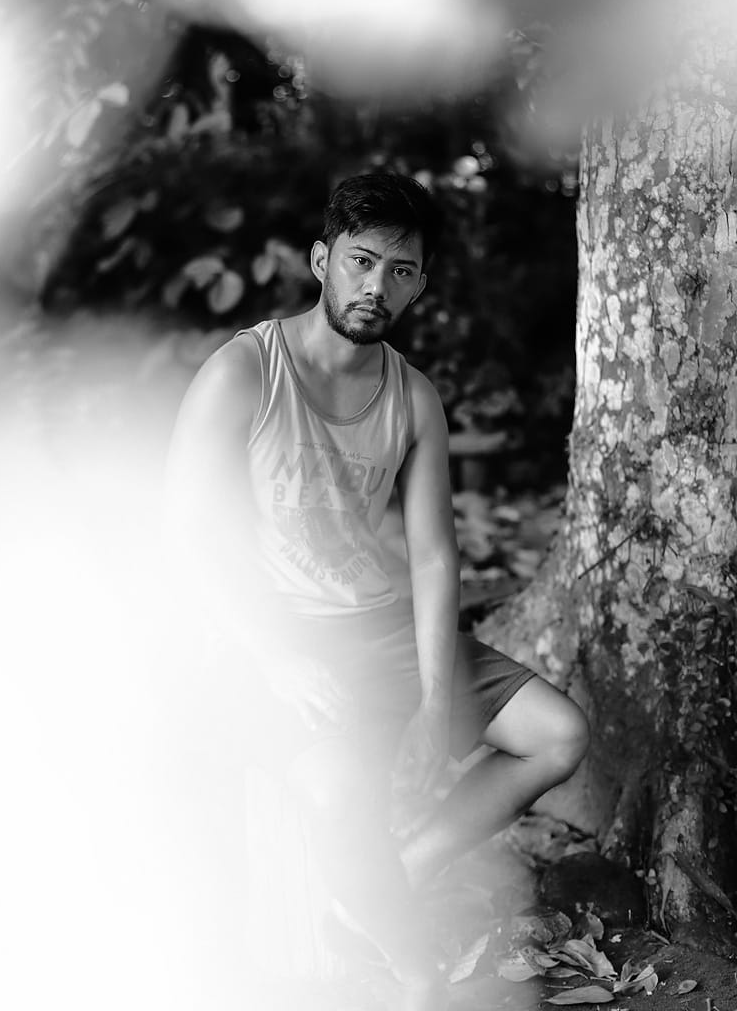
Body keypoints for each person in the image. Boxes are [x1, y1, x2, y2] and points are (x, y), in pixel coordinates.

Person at [164, 172, 589, 1010]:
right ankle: (412, 973)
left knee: (558, 734)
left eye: (400, 271)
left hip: (379, 626)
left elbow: (433, 558)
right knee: (335, 792)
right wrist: (277, 660)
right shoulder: (243, 372)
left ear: (420, 284)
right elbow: (186, 535)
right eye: (361, 262)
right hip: (271, 634)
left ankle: (395, 878)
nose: (376, 287)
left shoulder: (413, 396)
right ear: (322, 260)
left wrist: (435, 699)